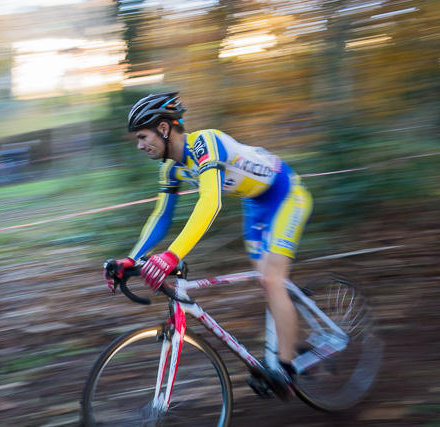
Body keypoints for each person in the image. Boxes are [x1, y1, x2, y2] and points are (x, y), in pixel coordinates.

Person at [104, 92, 313, 387]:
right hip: (255, 204)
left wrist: (171, 255)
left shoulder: (206, 143)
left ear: (164, 129)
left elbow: (210, 203)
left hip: (287, 195)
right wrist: (132, 257)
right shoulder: (170, 169)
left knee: (272, 281)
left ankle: (287, 368)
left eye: (142, 136)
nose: (140, 145)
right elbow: (161, 217)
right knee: (265, 279)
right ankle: (289, 334)